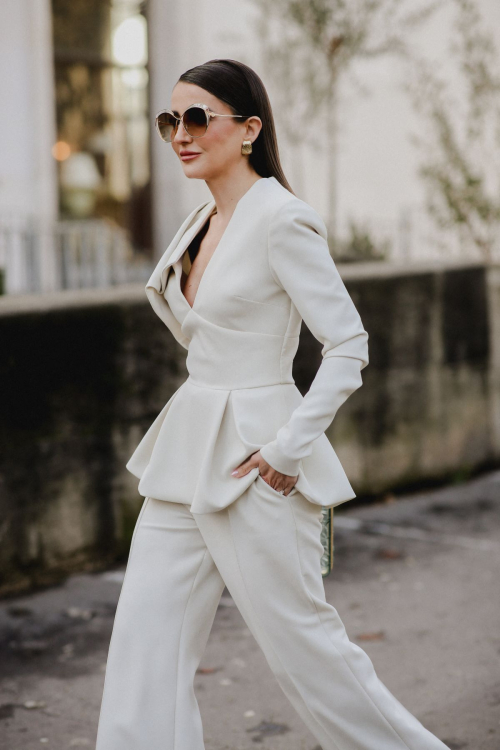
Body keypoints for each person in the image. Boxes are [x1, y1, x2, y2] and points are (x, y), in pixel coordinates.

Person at [95, 58, 450, 750]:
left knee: (310, 656)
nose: (181, 134)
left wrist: (289, 448)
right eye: (172, 119)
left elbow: (348, 343)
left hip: (259, 462)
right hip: (185, 454)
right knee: (146, 645)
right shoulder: (200, 221)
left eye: (198, 117)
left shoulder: (281, 220)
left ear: (250, 128)